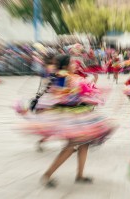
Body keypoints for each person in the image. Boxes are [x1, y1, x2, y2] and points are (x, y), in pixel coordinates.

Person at [16, 55, 116, 187]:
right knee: (70, 147)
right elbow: (64, 95)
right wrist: (82, 93)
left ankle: (80, 175)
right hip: (71, 117)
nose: (75, 65)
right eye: (73, 63)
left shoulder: (65, 76)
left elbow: (76, 91)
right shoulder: (64, 77)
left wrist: (88, 91)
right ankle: (47, 176)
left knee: (84, 144)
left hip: (77, 114)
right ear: (65, 65)